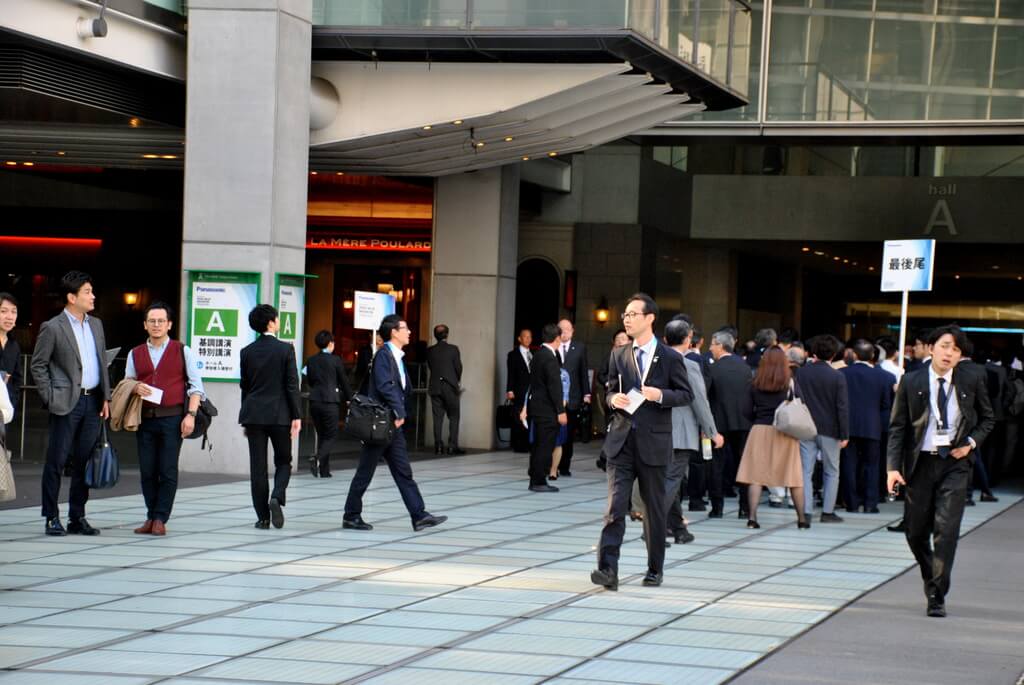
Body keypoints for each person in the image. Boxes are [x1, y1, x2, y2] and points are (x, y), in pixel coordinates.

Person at [887, 324, 994, 617]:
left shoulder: (971, 380)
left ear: (961, 357)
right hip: (919, 464)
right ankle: (931, 572)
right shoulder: (911, 380)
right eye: (945, 346)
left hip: (955, 465)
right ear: (931, 348)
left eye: (956, 349)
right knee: (914, 532)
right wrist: (892, 469)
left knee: (946, 531)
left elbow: (988, 419)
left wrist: (970, 443)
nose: (949, 353)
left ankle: (936, 594)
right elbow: (898, 428)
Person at [591, 293, 692, 591]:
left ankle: (655, 568)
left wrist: (659, 395)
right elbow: (607, 390)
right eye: (625, 314)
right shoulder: (619, 354)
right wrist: (612, 399)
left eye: (633, 314)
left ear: (650, 318)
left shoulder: (671, 357)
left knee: (654, 509)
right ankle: (608, 569)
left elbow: (686, 395)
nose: (627, 318)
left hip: (654, 444)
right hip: (621, 442)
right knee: (615, 507)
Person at [344, 314, 447, 531]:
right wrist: (399, 412)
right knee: (365, 471)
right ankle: (351, 515)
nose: (409, 332)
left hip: (392, 427)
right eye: (405, 328)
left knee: (403, 471)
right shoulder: (384, 355)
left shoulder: (396, 357)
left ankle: (419, 515)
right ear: (394, 332)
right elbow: (385, 386)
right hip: (382, 424)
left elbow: (399, 388)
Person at [31, 271, 111, 536]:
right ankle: (51, 517)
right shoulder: (52, 327)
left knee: (84, 461)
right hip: (65, 403)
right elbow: (38, 365)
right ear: (71, 297)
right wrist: (51, 396)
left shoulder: (96, 325)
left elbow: (102, 363)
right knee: (56, 461)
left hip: (93, 402)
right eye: (87, 291)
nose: (92, 296)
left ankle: (77, 517)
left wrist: (106, 397)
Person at [123, 301, 205, 535]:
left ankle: (161, 517)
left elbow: (196, 386)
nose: (156, 325)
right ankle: (151, 515)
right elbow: (127, 382)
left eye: (161, 321)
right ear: (145, 325)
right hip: (145, 419)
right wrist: (135, 387)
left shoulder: (182, 350)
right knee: (147, 470)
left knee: (167, 469)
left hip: (172, 419)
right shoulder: (135, 353)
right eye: (152, 321)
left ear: (169, 324)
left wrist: (190, 415)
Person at [239, 305, 302, 530]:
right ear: (272, 323)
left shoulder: (246, 351)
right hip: (280, 414)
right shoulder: (286, 350)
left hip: (253, 415)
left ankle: (262, 518)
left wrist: (244, 415)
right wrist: (297, 415)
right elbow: (292, 384)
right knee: (283, 460)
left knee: (258, 467)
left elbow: (244, 386)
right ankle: (276, 496)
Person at [737, 346, 809, 530]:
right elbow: (800, 403)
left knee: (756, 475)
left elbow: (745, 409)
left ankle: (752, 518)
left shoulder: (755, 382)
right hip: (785, 431)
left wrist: (757, 419)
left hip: (760, 430)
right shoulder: (789, 382)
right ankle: (801, 518)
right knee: (794, 476)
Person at [664, 318, 721, 543]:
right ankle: (654, 526)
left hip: (657, 431)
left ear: (666, 339)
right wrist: (712, 431)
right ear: (688, 340)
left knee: (669, 480)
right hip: (682, 431)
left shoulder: (654, 361)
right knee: (671, 481)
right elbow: (700, 401)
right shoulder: (689, 365)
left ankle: (679, 529)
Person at [795, 335, 849, 522]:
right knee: (832, 470)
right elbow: (842, 407)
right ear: (834, 354)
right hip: (831, 429)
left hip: (805, 427)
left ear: (814, 352)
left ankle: (806, 511)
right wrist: (844, 433)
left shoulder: (802, 373)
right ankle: (827, 512)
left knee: (805, 470)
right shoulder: (837, 376)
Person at [840, 340, 892, 514]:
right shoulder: (883, 377)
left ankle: (852, 503)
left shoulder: (842, 373)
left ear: (854, 355)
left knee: (849, 464)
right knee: (872, 465)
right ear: (872, 356)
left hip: (848, 426)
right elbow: (886, 404)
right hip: (872, 426)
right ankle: (870, 503)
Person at [705, 329, 753, 518]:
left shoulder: (712, 368)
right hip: (743, 423)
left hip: (718, 425)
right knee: (744, 465)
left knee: (716, 466)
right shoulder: (745, 367)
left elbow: (706, 397)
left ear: (720, 345)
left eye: (712, 344)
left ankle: (717, 508)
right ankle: (745, 508)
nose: (710, 348)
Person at [523, 323, 566, 493]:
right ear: (557, 338)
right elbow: (554, 386)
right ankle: (539, 480)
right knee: (545, 445)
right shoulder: (549, 357)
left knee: (539, 444)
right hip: (547, 409)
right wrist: (561, 411)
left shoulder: (538, 355)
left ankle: (535, 477)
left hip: (537, 406)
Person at [304, 330, 352, 478]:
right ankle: (317, 458)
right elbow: (343, 380)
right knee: (331, 435)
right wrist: (349, 398)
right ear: (330, 343)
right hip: (330, 402)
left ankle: (324, 470)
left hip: (315, 402)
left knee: (323, 435)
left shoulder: (311, 360)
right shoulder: (335, 360)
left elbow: (309, 380)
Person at [556, 319, 590, 476]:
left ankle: (564, 466)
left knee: (568, 435)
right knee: (554, 432)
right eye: (561, 329)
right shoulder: (552, 346)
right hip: (555, 398)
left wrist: (586, 394)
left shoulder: (580, 348)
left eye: (567, 329)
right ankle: (552, 464)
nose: (564, 332)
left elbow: (583, 372)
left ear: (572, 331)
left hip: (573, 398)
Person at [426, 324, 464, 455]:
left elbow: (431, 366)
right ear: (447, 335)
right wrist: (456, 381)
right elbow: (458, 367)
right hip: (450, 386)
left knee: (437, 418)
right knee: (454, 416)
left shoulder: (430, 351)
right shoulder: (453, 349)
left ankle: (438, 446)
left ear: (435, 336)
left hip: (435, 386)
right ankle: (452, 446)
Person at [506, 328, 533, 453]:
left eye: (530, 337)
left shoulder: (533, 354)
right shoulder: (513, 354)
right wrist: (510, 390)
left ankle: (528, 443)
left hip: (532, 391)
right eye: (525, 337)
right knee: (519, 417)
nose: (528, 339)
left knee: (530, 416)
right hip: (519, 390)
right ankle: (518, 445)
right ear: (519, 339)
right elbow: (511, 374)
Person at [0, 293, 22, 419]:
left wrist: (12, 400)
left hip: (3, 412)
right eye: (3, 311)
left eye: (14, 312)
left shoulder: (14, 346)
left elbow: (17, 379)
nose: (10, 317)